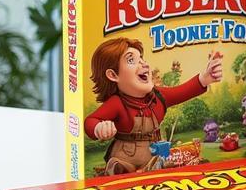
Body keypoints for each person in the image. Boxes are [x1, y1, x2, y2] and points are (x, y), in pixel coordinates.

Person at [84, 38, 223, 174]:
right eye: (131, 60)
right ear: (113, 75)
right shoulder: (117, 102)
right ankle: (119, 171)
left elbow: (181, 91)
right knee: (123, 169)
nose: (144, 65)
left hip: (154, 155)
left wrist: (205, 78)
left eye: (142, 59)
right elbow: (90, 121)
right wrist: (98, 128)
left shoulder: (158, 96)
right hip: (125, 157)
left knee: (165, 165)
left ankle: (152, 168)